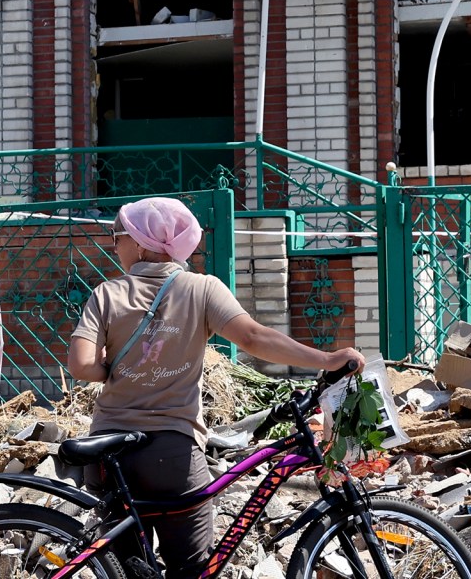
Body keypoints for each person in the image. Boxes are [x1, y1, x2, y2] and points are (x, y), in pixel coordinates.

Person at [66, 197, 364, 577]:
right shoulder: (202, 289)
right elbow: (253, 338)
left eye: (117, 236)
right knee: (193, 569)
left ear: (141, 242)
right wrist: (326, 359)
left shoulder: (106, 294)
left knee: (124, 569)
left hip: (110, 451)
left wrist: (114, 368)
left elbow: (81, 365)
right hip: (171, 451)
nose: (114, 245)